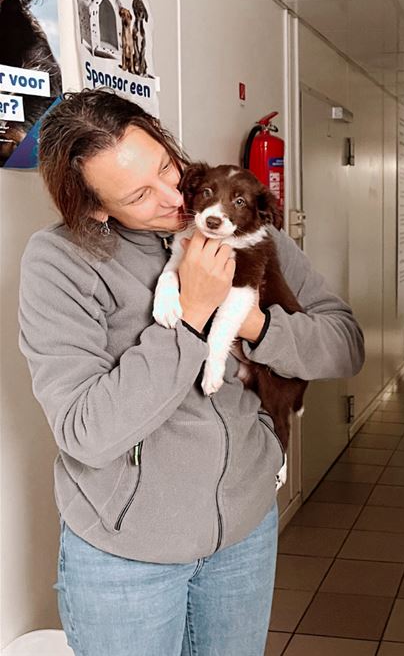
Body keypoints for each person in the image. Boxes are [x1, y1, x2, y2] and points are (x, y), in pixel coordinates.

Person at [18, 88, 364, 656]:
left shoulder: (246, 228)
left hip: (244, 533)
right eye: (139, 194)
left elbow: (344, 346)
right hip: (128, 554)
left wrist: (257, 326)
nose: (174, 196)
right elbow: (86, 432)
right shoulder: (60, 263)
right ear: (98, 209)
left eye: (166, 165)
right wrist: (193, 315)